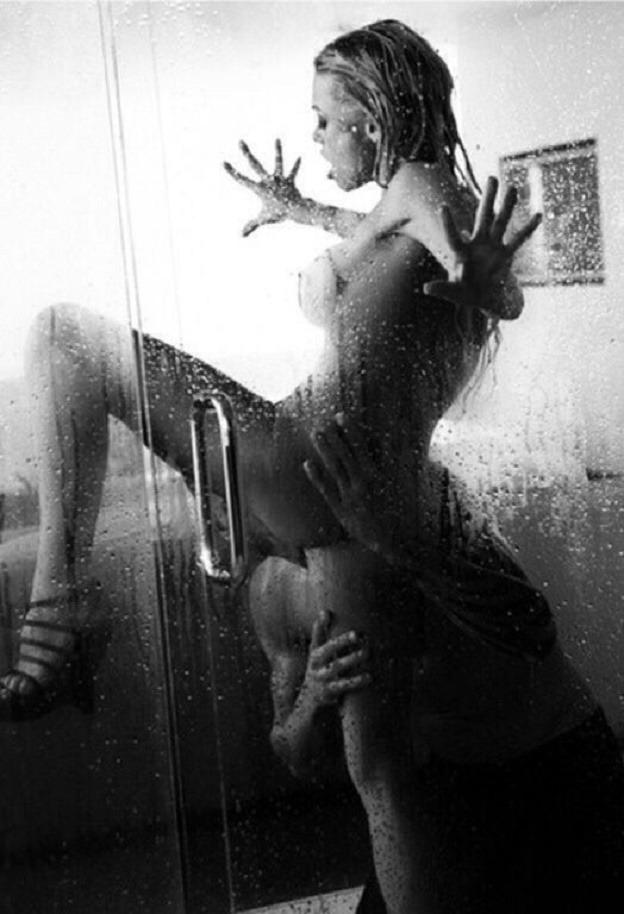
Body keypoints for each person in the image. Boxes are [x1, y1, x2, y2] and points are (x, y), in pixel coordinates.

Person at [0, 18, 536, 913]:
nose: (315, 137)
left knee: (64, 337)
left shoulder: (423, 184)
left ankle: (58, 616)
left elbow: (486, 280)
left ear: (371, 117)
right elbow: (391, 233)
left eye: (324, 119)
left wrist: (491, 284)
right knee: (381, 776)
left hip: (304, 464)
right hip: (355, 500)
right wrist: (303, 211)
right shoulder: (405, 202)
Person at [252, 416, 624, 913]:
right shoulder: (272, 592)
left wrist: (398, 541)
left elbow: (531, 628)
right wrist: (313, 697)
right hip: (446, 788)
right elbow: (292, 752)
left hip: (557, 765)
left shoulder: (416, 501)